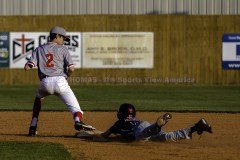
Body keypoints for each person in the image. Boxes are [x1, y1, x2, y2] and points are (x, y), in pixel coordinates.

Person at [24, 26, 94, 136]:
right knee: (77, 110)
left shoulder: (39, 49)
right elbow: (71, 68)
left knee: (39, 98)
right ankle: (77, 121)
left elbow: (28, 66)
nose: (64, 41)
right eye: (63, 38)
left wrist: (28, 65)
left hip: (45, 83)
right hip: (60, 81)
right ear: (57, 36)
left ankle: (33, 126)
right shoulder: (63, 49)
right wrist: (67, 76)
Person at [100, 103, 212, 142]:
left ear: (121, 113)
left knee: (140, 138)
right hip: (144, 124)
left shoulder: (117, 124)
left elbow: (104, 136)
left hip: (142, 129)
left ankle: (157, 125)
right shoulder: (134, 119)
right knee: (167, 137)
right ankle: (196, 127)